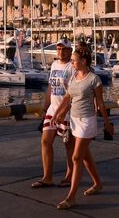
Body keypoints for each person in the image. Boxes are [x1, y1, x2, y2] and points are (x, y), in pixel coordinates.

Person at [51, 42, 114, 210]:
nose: (72, 63)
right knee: (85, 157)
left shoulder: (94, 79)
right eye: (72, 60)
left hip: (87, 121)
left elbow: (100, 102)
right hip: (74, 120)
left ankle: (71, 197)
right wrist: (57, 114)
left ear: (84, 61)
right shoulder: (74, 77)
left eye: (74, 60)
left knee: (76, 157)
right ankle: (98, 183)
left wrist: (107, 122)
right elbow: (67, 98)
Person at [31, 39, 75, 189]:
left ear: (70, 51)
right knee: (45, 141)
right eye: (58, 49)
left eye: (64, 49)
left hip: (67, 112)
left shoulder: (73, 67)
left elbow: (73, 93)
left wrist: (63, 112)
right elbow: (51, 86)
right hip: (52, 110)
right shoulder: (54, 65)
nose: (60, 52)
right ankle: (47, 177)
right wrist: (45, 107)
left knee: (69, 145)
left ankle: (69, 176)